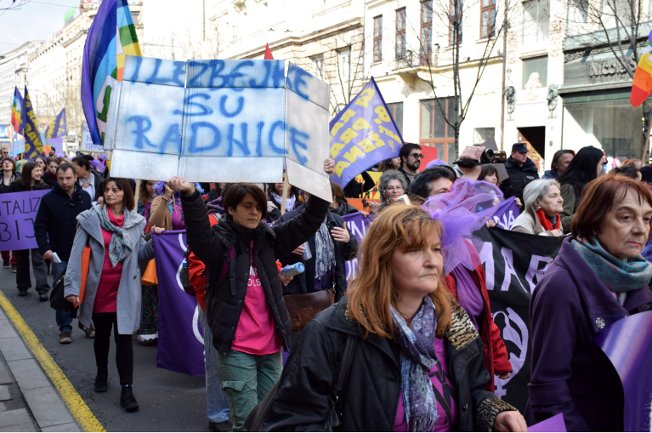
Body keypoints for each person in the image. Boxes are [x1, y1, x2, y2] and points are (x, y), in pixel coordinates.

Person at [260, 204, 526, 431]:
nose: (433, 261)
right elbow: (293, 421)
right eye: (415, 250)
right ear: (383, 258)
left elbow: (474, 391)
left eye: (435, 249)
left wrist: (495, 414)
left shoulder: (455, 323)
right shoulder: (333, 331)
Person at [168, 159, 334, 431]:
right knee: (247, 423)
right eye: (247, 206)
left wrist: (321, 182)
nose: (255, 212)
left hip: (271, 348)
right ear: (230, 209)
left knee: (272, 420)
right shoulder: (219, 245)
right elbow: (198, 235)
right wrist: (190, 195)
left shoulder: (270, 239)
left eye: (258, 207)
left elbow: (309, 220)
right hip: (236, 350)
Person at [527, 174, 652, 431]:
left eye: (647, 218)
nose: (640, 228)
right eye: (626, 217)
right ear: (594, 221)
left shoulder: (638, 275)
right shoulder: (561, 285)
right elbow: (547, 390)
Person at [64, 178, 157, 413]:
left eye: (115, 189)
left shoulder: (136, 222)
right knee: (102, 336)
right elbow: (76, 255)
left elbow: (139, 257)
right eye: (106, 189)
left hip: (124, 290)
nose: (110, 193)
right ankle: (102, 373)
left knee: (124, 339)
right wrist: (72, 288)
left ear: (125, 193)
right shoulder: (90, 218)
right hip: (99, 290)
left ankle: (127, 389)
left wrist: (157, 240)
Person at [34, 162, 93, 344]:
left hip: (84, 253)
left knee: (88, 290)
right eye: (61, 179)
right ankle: (65, 329)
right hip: (61, 253)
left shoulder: (84, 197)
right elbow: (40, 225)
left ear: (76, 177)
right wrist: (45, 248)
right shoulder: (48, 199)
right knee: (64, 291)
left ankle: (86, 322)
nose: (65, 182)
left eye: (68, 178)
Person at [10, 162, 51, 299]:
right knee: (21, 259)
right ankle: (22, 286)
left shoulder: (44, 187)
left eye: (41, 170)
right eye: (37, 170)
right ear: (28, 171)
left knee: (38, 259)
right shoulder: (16, 186)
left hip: (37, 229)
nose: (40, 173)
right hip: (20, 228)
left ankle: (42, 289)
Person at [558, 145, 604, 233]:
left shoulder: (590, 185)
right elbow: (561, 222)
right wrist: (588, 213)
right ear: (592, 166)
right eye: (601, 164)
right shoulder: (569, 187)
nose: (602, 168)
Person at [1, 157, 17, 271]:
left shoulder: (18, 178)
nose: (6, 164)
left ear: (13, 165)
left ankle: (15, 262)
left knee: (16, 237)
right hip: (1, 212)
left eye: (9, 162)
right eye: (4, 162)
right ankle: (5, 258)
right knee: (3, 236)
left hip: (15, 212)